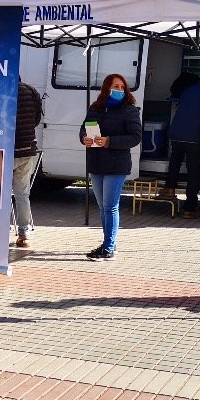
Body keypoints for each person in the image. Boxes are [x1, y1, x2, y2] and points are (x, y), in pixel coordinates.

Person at [80, 73, 142, 261]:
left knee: (110, 207)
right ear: (106, 88)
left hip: (117, 164)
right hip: (96, 163)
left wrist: (109, 141)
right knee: (102, 207)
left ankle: (108, 247)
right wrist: (85, 138)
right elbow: (83, 129)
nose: (119, 90)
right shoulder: (96, 108)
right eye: (115, 87)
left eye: (122, 87)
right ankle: (108, 244)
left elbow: (135, 137)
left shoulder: (130, 110)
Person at [161, 71, 200, 218]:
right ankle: (190, 208)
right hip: (196, 138)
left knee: (175, 160)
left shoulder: (188, 90)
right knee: (194, 172)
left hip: (177, 134)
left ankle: (169, 188)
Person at [11, 81, 43, 247]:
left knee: (0, 196)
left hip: (7, 150)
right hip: (27, 149)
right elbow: (37, 119)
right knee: (22, 194)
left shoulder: (2, 89)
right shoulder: (31, 90)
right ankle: (24, 234)